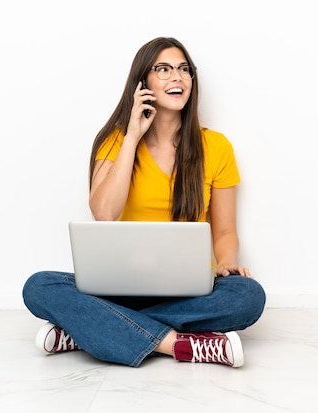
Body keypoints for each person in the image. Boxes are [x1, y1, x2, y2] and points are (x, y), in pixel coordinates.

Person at [22, 37, 266, 368]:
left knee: (248, 296)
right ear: (143, 82)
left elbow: (224, 232)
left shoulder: (217, 146)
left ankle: (86, 329)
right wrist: (132, 136)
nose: (176, 77)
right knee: (39, 286)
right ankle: (180, 345)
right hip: (120, 287)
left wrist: (225, 263)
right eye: (163, 69)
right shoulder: (116, 141)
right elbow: (104, 213)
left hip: (189, 290)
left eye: (183, 69)